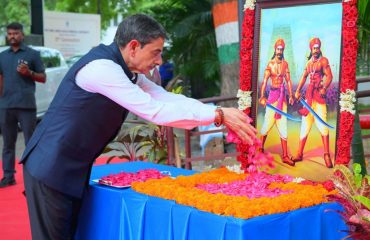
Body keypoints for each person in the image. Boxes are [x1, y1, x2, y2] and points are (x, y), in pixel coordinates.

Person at [20, 14, 257, 239]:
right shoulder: (102, 69)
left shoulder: (126, 71)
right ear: (134, 46)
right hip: (50, 168)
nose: (159, 61)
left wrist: (221, 114)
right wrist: (217, 115)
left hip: (70, 169)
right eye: (155, 53)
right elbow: (154, 110)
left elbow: (165, 98)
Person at [0, 22, 46, 188]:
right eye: (10, 33)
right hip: (6, 106)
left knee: (31, 143)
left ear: (22, 34)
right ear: (7, 35)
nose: (13, 36)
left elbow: (43, 77)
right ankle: (8, 176)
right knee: (8, 143)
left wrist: (29, 73)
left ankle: (33, 177)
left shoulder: (32, 54)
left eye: (16, 33)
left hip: (26, 105)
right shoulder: (2, 56)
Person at [293, 37, 333, 168]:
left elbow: (329, 76)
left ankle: (326, 154)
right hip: (309, 98)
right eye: (314, 48)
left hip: (319, 98)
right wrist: (297, 91)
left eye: (317, 47)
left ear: (319, 48)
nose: (316, 50)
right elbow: (304, 77)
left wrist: (324, 88)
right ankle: (299, 153)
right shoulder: (309, 64)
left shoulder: (323, 61)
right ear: (311, 49)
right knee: (305, 126)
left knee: (323, 126)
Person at [258, 38, 295, 166]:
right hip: (272, 97)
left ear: (283, 50)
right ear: (275, 49)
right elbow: (264, 81)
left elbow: (289, 81)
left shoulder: (285, 64)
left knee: (283, 125)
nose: (279, 51)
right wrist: (262, 96)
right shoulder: (270, 64)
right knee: (267, 124)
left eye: (281, 49)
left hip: (282, 98)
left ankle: (285, 155)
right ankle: (259, 149)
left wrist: (290, 95)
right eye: (278, 49)